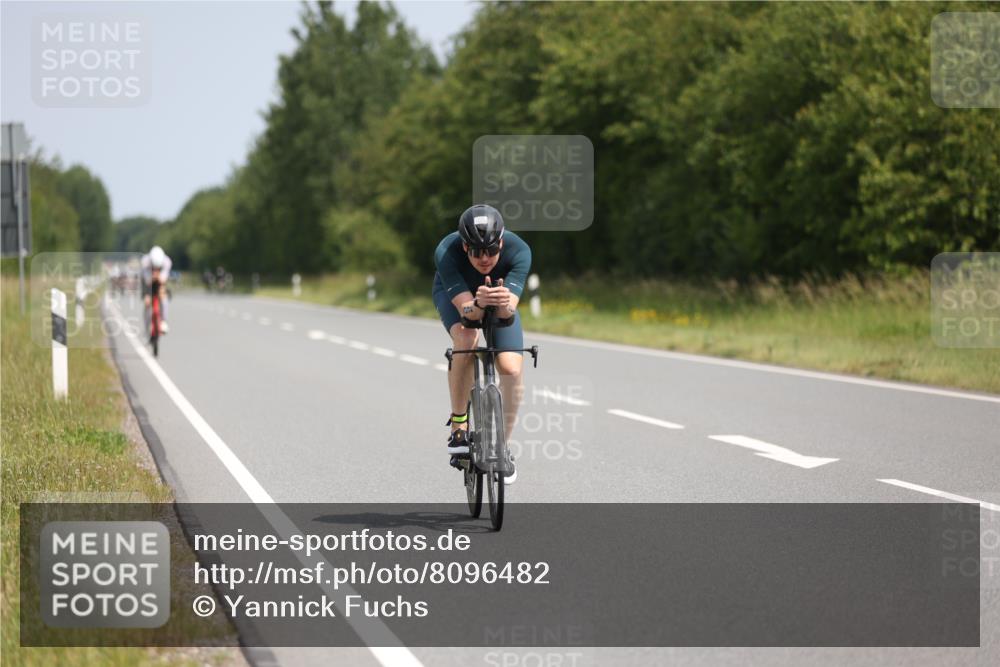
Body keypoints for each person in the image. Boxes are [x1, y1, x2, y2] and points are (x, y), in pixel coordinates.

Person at [432, 204, 531, 484]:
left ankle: (503, 448)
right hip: (460, 297)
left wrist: (499, 304)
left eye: (491, 250)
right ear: (465, 247)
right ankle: (460, 424)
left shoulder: (519, 251)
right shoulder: (446, 251)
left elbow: (507, 312)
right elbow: (468, 313)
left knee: (510, 368)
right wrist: (478, 304)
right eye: (476, 251)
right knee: (466, 337)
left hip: (498, 302)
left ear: (501, 242)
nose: (485, 258)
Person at [141, 245, 172, 334]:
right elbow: (147, 281)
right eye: (154, 268)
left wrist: (158, 276)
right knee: (147, 301)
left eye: (158, 268)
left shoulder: (167, 262)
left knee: (163, 296)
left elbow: (163, 279)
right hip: (147, 282)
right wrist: (152, 277)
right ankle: (147, 325)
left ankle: (163, 321)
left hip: (160, 281)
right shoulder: (145, 262)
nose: (155, 269)